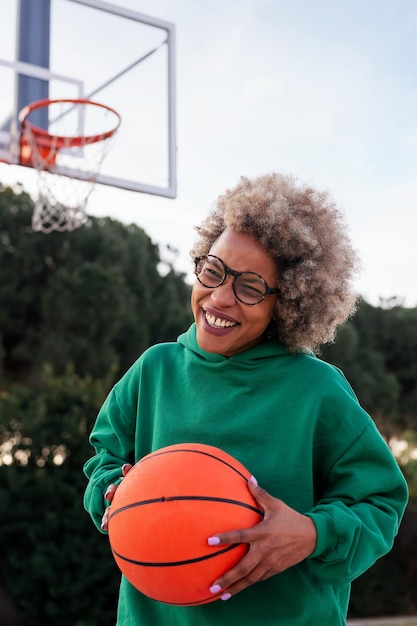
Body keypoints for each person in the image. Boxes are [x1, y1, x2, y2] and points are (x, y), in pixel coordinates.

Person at [83, 172, 408, 626]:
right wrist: (112, 493)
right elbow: (104, 458)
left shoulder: (317, 389)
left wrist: (312, 533)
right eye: (212, 271)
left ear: (290, 301)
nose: (219, 297)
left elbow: (380, 501)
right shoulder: (154, 370)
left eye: (250, 287)